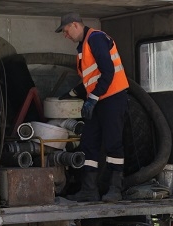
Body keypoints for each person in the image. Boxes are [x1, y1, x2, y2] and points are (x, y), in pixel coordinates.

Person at [55, 12, 129, 202]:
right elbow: (90, 79)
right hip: (99, 100)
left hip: (111, 98)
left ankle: (115, 189)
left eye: (66, 31)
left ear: (75, 25)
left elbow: (108, 71)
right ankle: (89, 190)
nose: (66, 35)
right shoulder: (83, 47)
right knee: (89, 142)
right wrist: (72, 94)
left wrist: (93, 98)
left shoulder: (95, 39)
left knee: (113, 143)